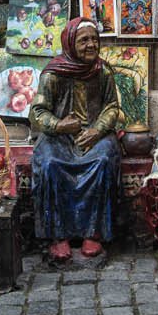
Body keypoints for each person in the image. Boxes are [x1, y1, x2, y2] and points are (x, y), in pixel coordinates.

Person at [29, 18, 126, 262]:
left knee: (103, 161)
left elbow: (112, 107)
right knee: (51, 164)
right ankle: (57, 235)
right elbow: (37, 112)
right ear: (71, 43)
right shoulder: (53, 74)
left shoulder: (103, 72)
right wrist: (60, 125)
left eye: (94, 40)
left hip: (95, 135)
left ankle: (93, 232)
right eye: (84, 41)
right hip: (59, 137)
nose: (91, 45)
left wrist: (97, 130)